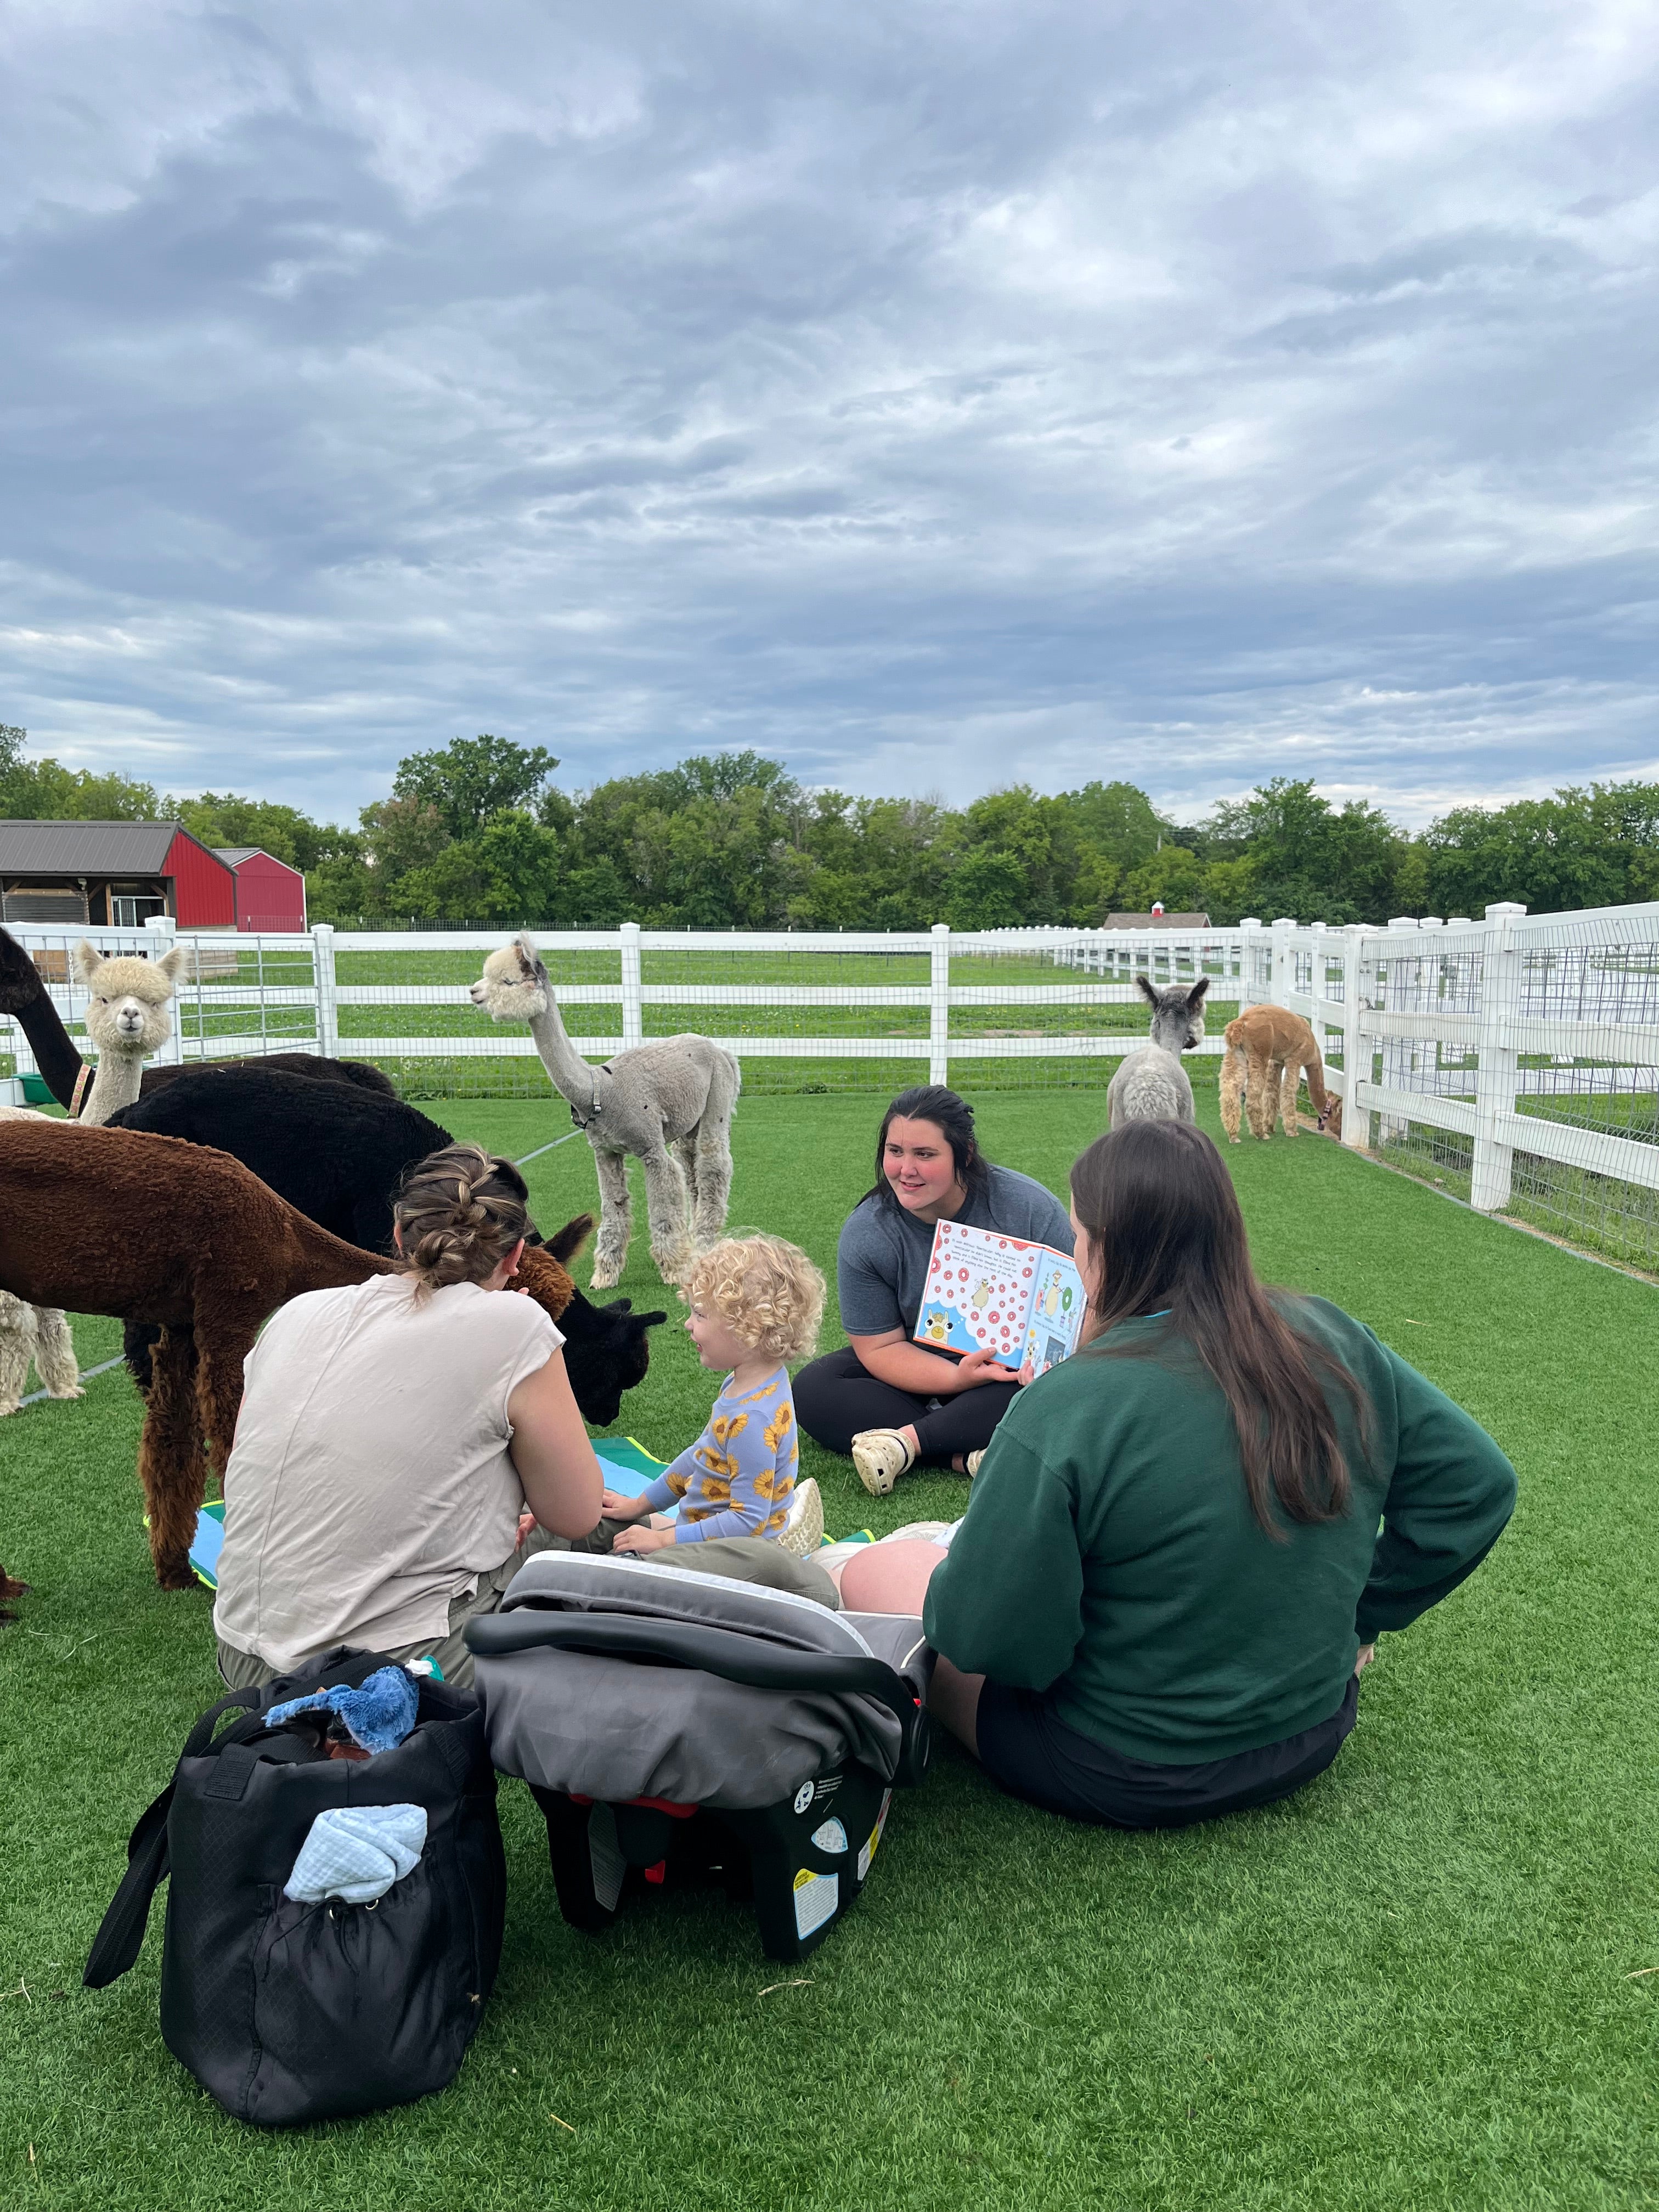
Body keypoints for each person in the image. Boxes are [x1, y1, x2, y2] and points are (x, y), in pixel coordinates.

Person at [915, 1119, 1517, 1828]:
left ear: (1108, 1252)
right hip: (1313, 1728)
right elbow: (1478, 1486)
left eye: (1078, 1238)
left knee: (888, 1576)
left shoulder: (1067, 1405)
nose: (1073, 1256)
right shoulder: (1332, 1335)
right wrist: (1361, 1617)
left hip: (1122, 1764)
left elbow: (986, 1639)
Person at [212, 1144, 605, 1690]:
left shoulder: (300, 1312)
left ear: (399, 1236)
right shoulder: (513, 1323)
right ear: (517, 1258)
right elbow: (576, 1514)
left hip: (241, 1656)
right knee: (612, 1525)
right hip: (382, 1672)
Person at [793, 1085, 1073, 1498]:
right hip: (922, 1365)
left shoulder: (1029, 1208)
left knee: (1042, 1392)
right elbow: (880, 1348)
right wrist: (955, 1378)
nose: (906, 1169)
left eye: (925, 1155)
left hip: (1010, 1372)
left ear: (965, 1154)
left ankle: (906, 1444)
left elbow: (1078, 1313)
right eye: (895, 1151)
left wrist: (1037, 1368)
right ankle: (960, 1455)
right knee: (813, 1389)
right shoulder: (868, 1231)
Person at [597, 1233, 827, 1559]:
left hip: (733, 1554)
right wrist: (639, 1505)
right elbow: (701, 1456)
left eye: (700, 1315)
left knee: (623, 1572)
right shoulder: (752, 1382)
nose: (688, 1325)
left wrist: (665, 1541)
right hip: (715, 1537)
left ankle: (783, 1540)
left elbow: (747, 1520)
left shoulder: (752, 1421)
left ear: (748, 1327)